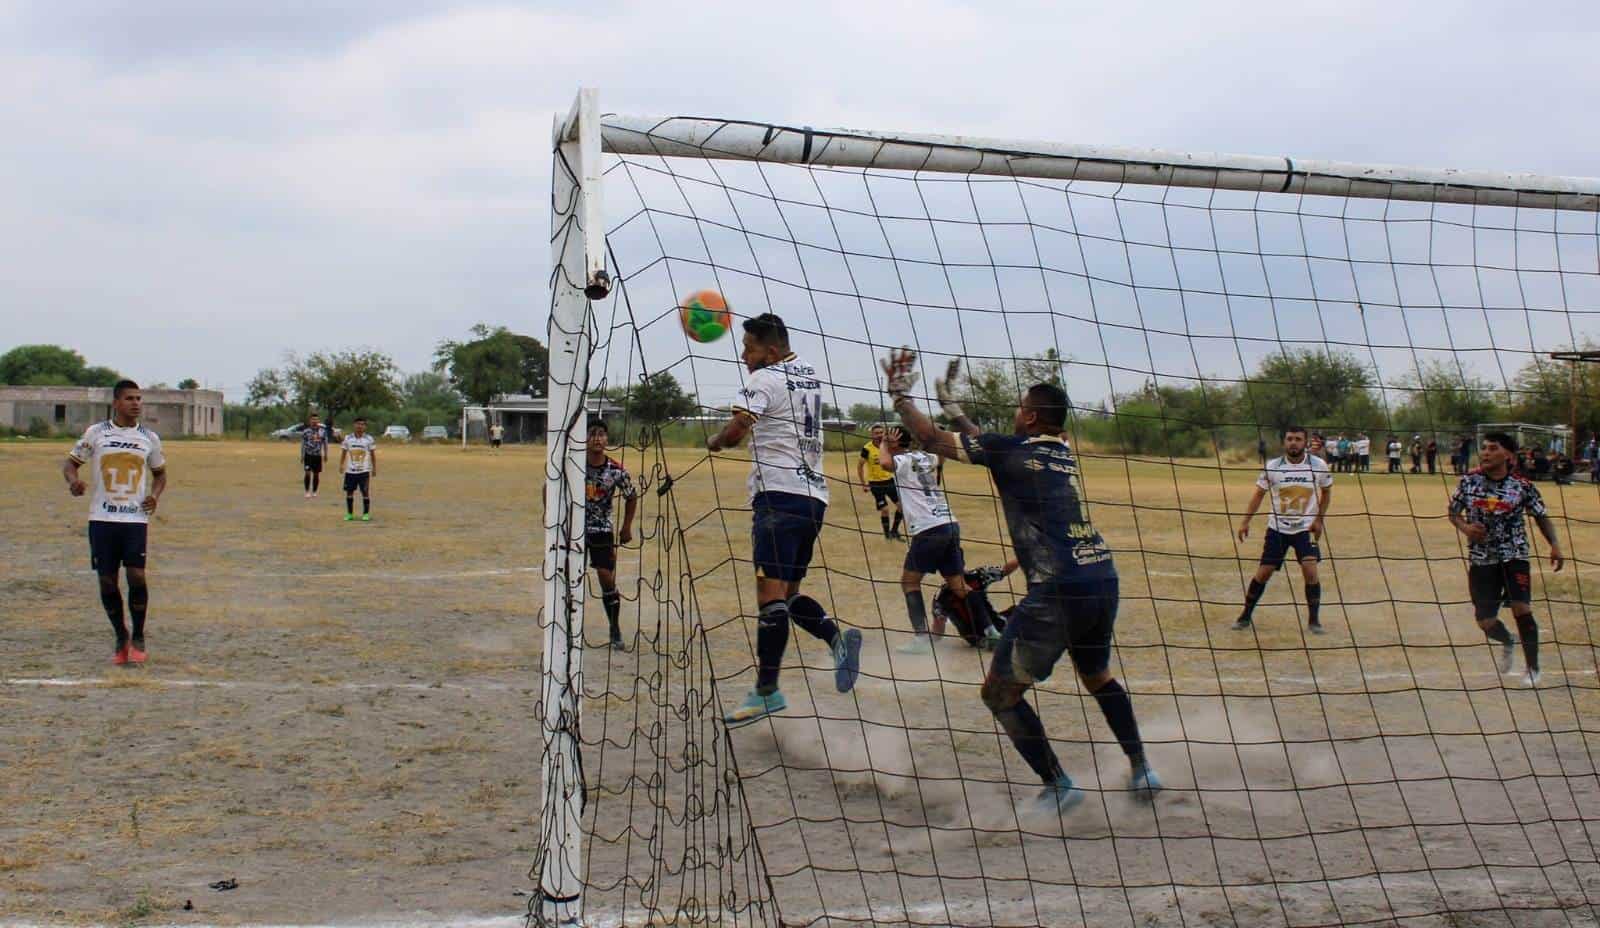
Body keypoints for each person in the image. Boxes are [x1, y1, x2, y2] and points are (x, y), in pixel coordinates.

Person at [884, 349, 1160, 810]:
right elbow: (986, 442)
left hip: (1058, 588)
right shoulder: (1060, 451)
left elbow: (931, 439)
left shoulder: (1009, 450)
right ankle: (1141, 770)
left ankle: (1059, 785)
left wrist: (899, 395)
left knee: (998, 693)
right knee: (1097, 677)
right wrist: (953, 405)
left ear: (1030, 417)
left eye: (1019, 405)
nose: (1014, 411)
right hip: (1100, 575)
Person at [708, 313, 862, 726]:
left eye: (750, 349)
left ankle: (766, 691)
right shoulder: (809, 373)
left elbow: (739, 429)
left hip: (777, 498)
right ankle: (835, 641)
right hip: (814, 500)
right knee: (790, 594)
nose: (744, 356)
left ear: (771, 352)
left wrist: (717, 441)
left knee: (769, 597)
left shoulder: (764, 379)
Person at [62, 380, 167, 665]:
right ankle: (121, 635)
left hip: (134, 519)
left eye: (139, 398)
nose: (136, 403)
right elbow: (70, 464)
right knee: (107, 580)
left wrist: (154, 496)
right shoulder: (96, 433)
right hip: (102, 518)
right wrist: (74, 482)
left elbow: (160, 475)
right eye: (130, 398)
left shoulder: (149, 438)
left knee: (136, 576)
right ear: (116, 403)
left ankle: (139, 635)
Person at [1448, 432, 1564, 687]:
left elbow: (1541, 516)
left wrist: (1554, 545)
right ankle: (1507, 640)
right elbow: (1453, 513)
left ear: (1507, 455)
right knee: (1485, 621)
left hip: (1515, 555)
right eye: (1484, 448)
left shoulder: (1522, 486)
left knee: (1522, 607)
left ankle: (1533, 668)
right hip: (1482, 559)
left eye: (1492, 448)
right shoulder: (1468, 482)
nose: (1486, 453)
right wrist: (1467, 529)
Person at [880, 426, 992, 654]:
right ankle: (991, 631)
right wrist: (936, 434)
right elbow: (941, 456)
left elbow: (884, 463)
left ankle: (921, 638)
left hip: (928, 527)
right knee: (959, 586)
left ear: (896, 442)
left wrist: (884, 445)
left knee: (909, 582)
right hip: (949, 522)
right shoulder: (926, 456)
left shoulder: (901, 459)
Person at [1232, 425, 1333, 634]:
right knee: (1264, 573)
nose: (1293, 442)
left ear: (1305, 442)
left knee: (1310, 571)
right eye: (1289, 439)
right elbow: (1258, 495)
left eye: (1297, 439)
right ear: (1284, 442)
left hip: (1305, 530)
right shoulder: (1273, 466)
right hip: (1277, 528)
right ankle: (1245, 616)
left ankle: (1314, 621)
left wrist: (1319, 520)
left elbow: (1326, 492)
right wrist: (1245, 521)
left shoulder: (1319, 465)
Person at [585, 421, 638, 650]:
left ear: (607, 439)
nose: (597, 439)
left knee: (606, 578)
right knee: (565, 577)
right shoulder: (573, 464)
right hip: (574, 529)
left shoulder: (615, 470)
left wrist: (626, 527)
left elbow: (632, 495)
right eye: (592, 434)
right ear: (584, 438)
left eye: (602, 435)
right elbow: (549, 485)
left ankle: (614, 628)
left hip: (601, 529)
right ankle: (566, 627)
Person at [930, 560, 1016, 649]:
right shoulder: (977, 575)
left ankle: (991, 636)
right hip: (997, 625)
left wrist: (926, 640)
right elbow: (1005, 570)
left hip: (974, 638)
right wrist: (1024, 557)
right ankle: (993, 633)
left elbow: (938, 632)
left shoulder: (940, 597)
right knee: (1022, 609)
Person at [856, 423, 905, 540]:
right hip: (875, 484)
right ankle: (887, 535)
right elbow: (860, 466)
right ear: (871, 435)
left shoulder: (889, 446)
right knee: (885, 509)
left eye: (881, 432)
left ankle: (894, 531)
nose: (879, 435)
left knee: (901, 507)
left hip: (889, 481)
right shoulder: (867, 449)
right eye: (876, 433)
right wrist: (864, 484)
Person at [339, 417, 377, 522]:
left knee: (365, 492)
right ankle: (350, 513)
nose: (359, 426)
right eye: (358, 424)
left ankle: (365, 514)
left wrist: (374, 468)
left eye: (362, 424)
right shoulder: (348, 438)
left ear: (365, 426)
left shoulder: (369, 439)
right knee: (349, 492)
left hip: (364, 470)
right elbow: (343, 452)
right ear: (354, 425)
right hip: (350, 470)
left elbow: (373, 455)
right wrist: (341, 465)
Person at [300, 411, 331, 498]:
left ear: (318, 420)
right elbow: (303, 444)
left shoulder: (322, 431)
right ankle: (307, 491)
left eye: (316, 419)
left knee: (316, 474)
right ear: (310, 420)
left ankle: (314, 491)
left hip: (317, 456)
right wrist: (302, 455)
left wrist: (326, 454)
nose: (314, 421)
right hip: (308, 455)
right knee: (307, 473)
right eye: (313, 419)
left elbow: (325, 443)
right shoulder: (306, 431)